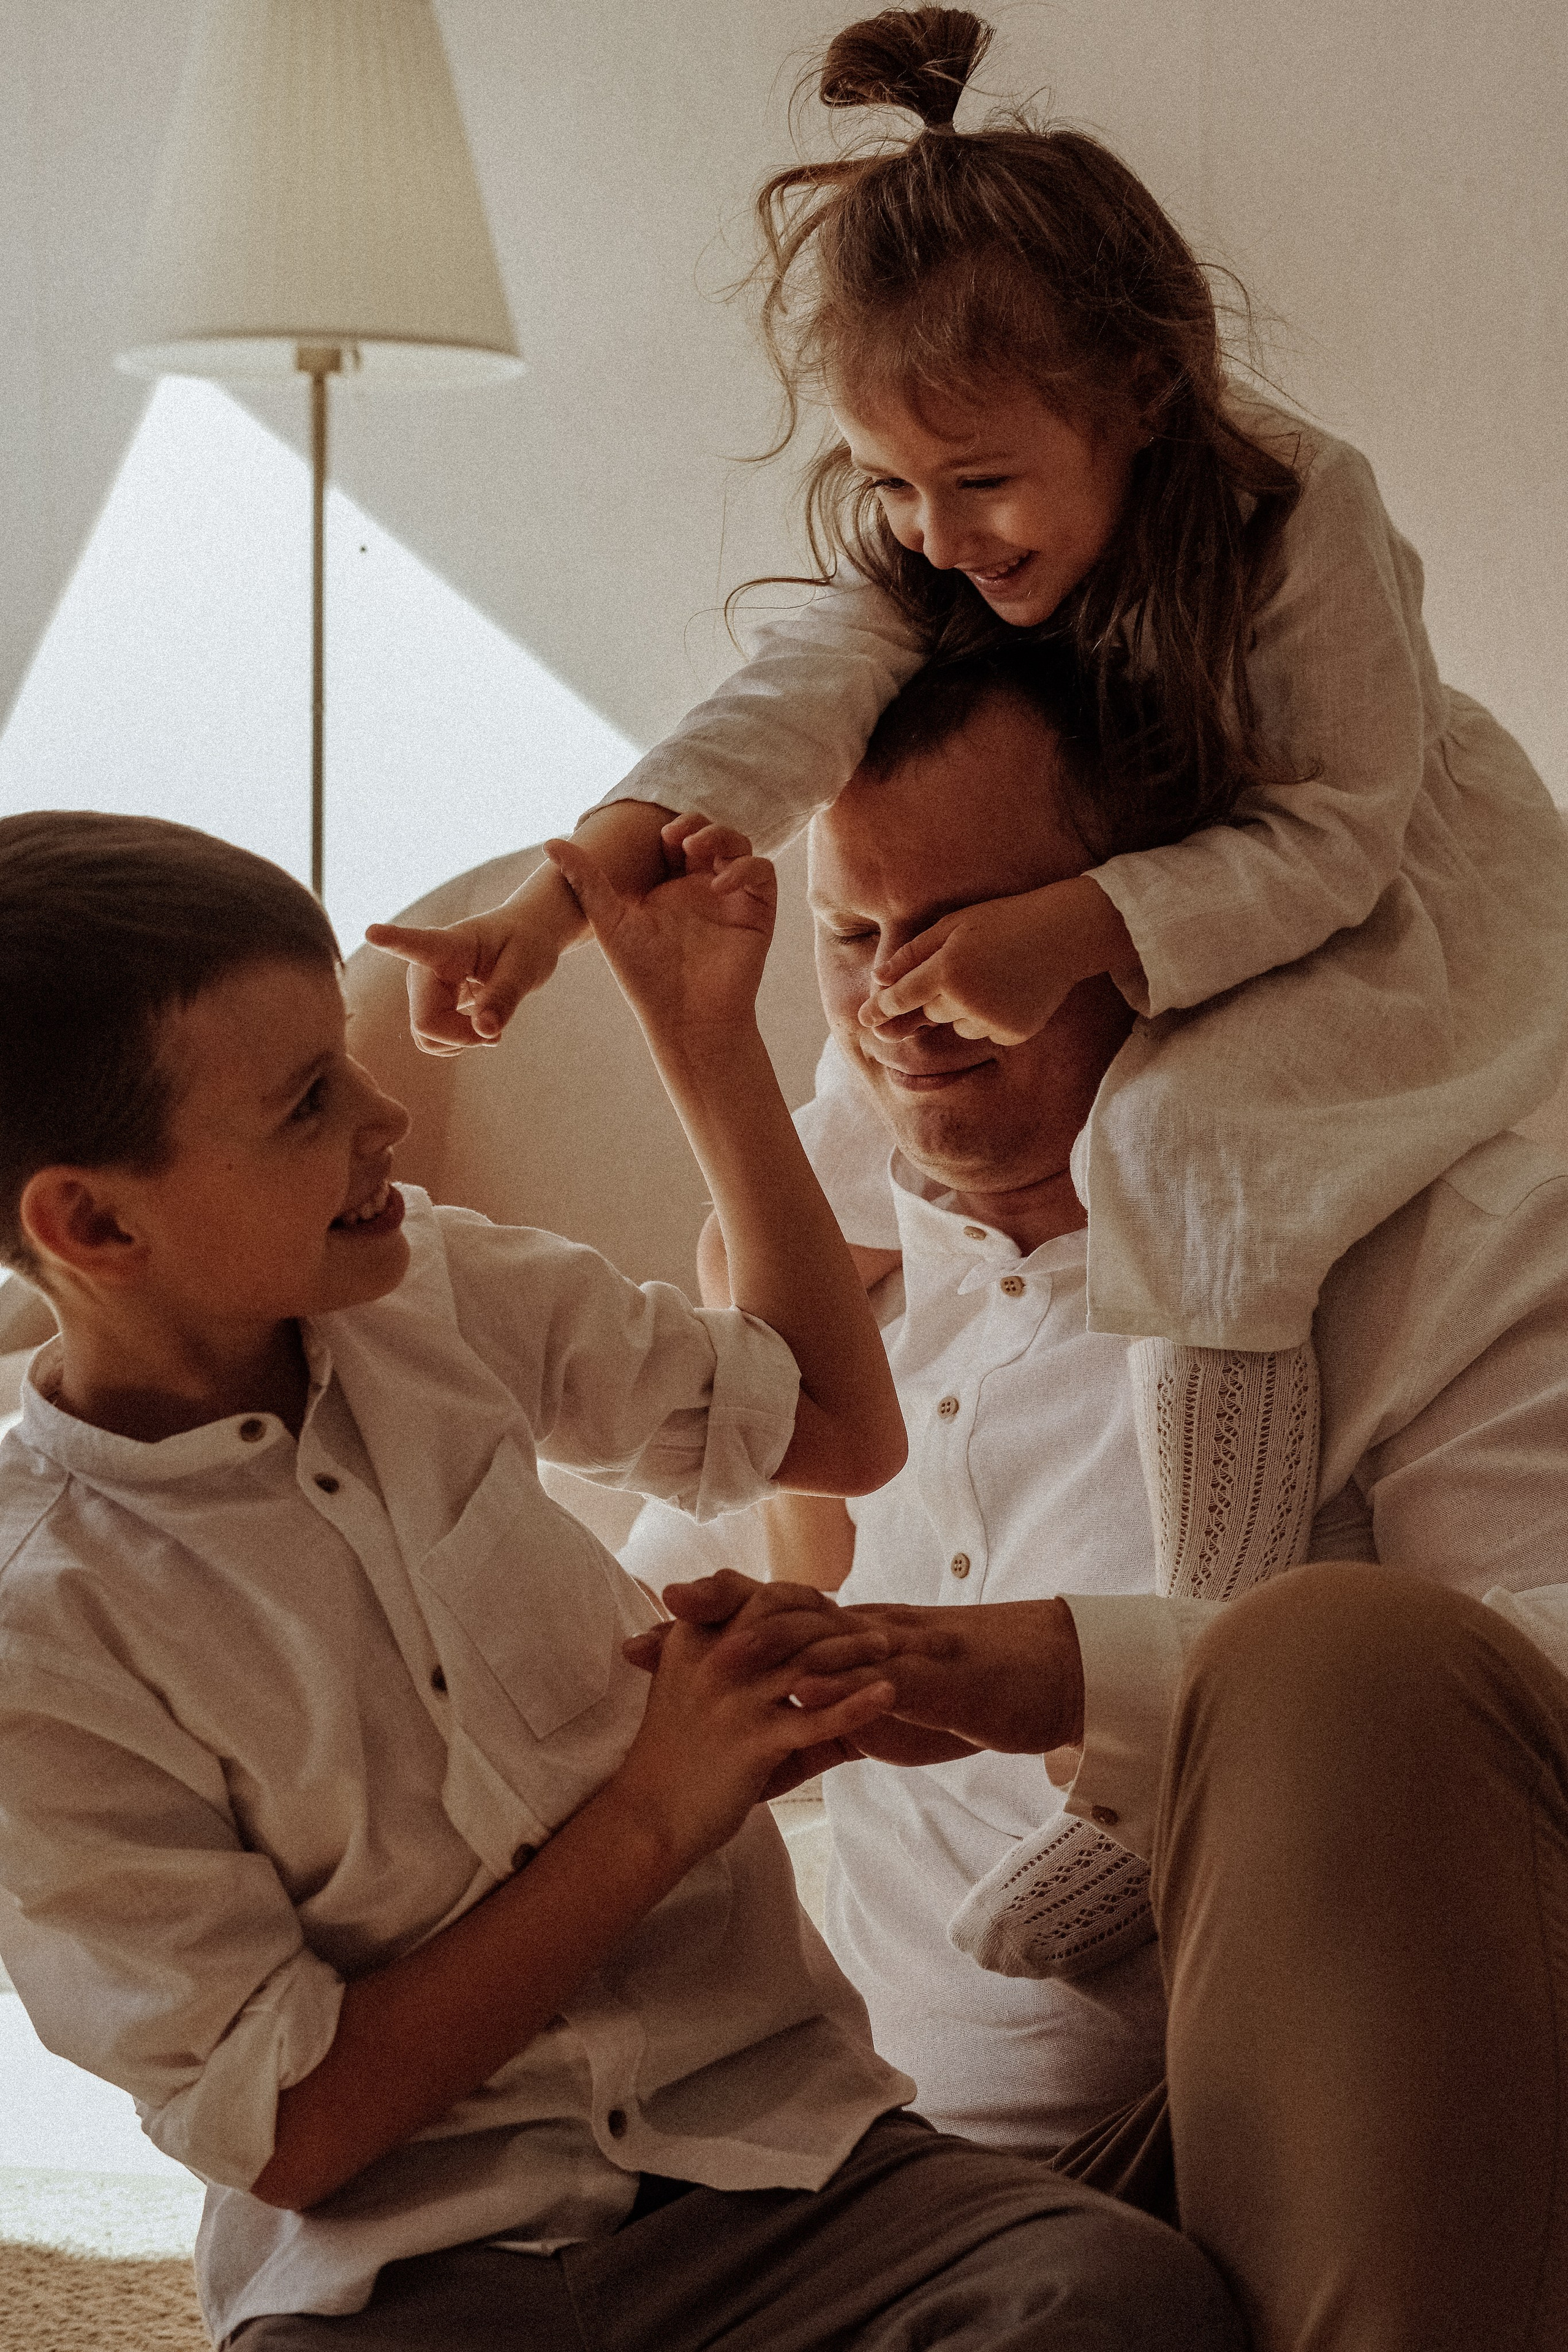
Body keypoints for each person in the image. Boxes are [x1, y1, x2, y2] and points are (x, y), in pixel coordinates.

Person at [368, 3, 1568, 1681]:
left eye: (982, 481)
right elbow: (765, 724)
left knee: (1190, 1157)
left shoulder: (1299, 520)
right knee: (804, 1192)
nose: (938, 535)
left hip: (1368, 906)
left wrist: (1080, 922)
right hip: (1153, 903)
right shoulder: (939, 552)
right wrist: (555, 902)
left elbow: (1334, 834)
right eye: (894, 485)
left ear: (1145, 393)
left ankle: (1200, 1656)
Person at [0, 811, 1244, 2351]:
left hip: (789, 2174)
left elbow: (831, 1427)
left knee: (1114, 2301)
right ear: (92, 1222)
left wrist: (700, 1032)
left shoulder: (440, 1290)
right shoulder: (37, 1626)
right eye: (313, 1101)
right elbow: (294, 2129)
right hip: (403, 2265)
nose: (389, 1114)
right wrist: (662, 1803)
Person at [616, 648, 1568, 2351]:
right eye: (855, 936)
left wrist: (1081, 1677)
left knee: (1342, 1659)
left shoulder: (1456, 1235)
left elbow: (1522, 1697)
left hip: (1326, 2160)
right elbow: (605, 1692)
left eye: (977, 929)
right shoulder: (822, 1274)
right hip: (927, 2205)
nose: (900, 999)